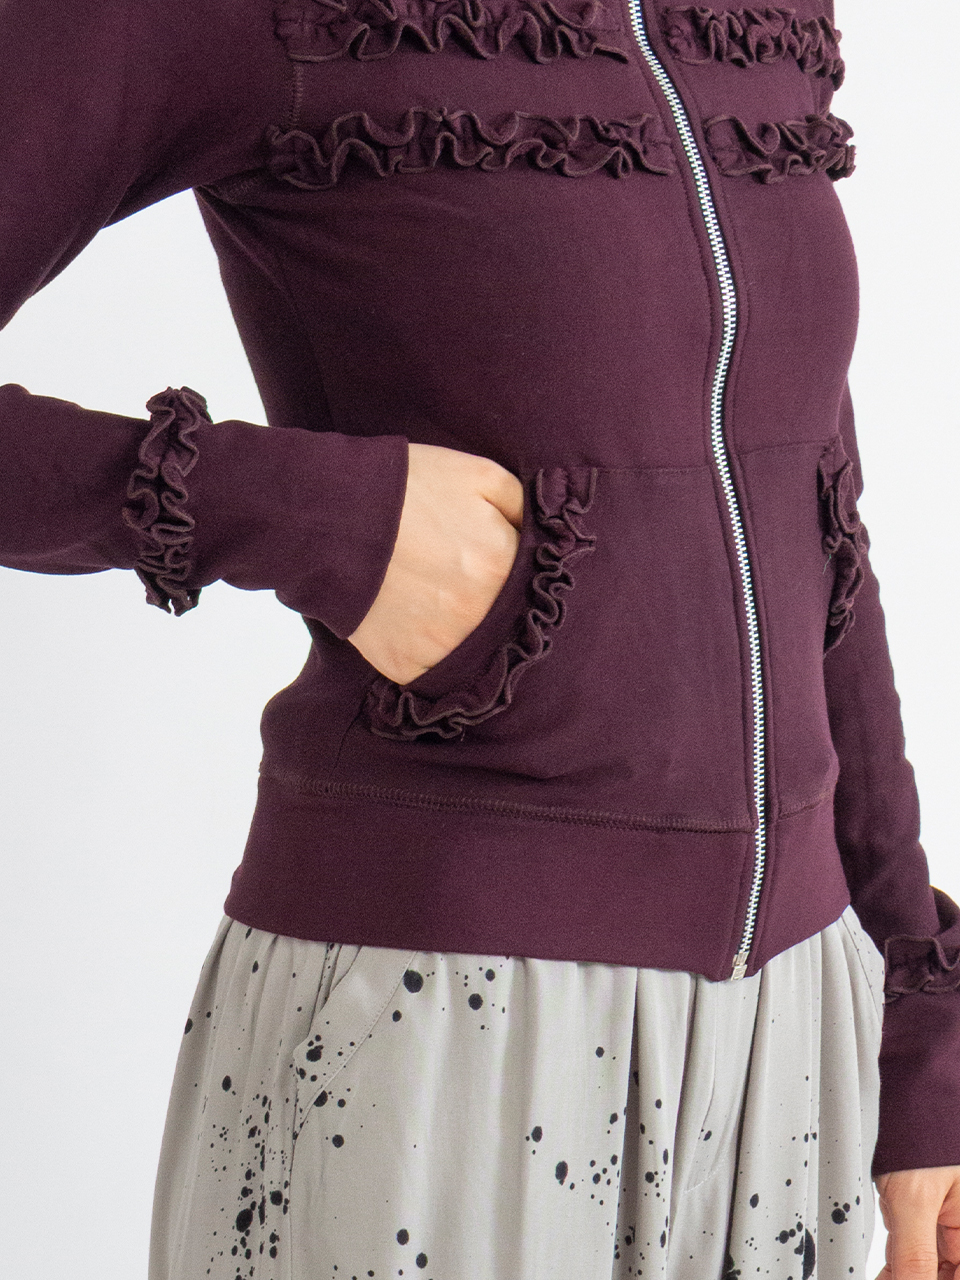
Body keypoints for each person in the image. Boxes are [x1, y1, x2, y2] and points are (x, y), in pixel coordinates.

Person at [1, 1, 959, 1277]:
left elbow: (817, 522)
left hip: (797, 1051)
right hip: (445, 1038)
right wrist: (326, 519)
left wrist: (921, 1021)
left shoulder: (764, 17)